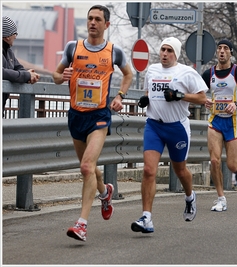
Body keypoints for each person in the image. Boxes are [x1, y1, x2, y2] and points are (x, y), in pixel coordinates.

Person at [52, 5, 133, 241]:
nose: (93, 23)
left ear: (106, 25)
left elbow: (127, 75)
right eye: (90, 18)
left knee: (86, 167)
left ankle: (82, 224)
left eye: (98, 19)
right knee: (89, 167)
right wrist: (62, 76)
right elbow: (56, 76)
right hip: (76, 115)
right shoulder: (72, 48)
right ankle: (105, 192)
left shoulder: (113, 52)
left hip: (99, 116)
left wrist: (120, 96)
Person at [130, 36, 208, 233]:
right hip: (154, 126)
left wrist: (179, 96)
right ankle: (146, 217)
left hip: (177, 128)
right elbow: (149, 92)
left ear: (176, 54)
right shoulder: (152, 70)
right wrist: (145, 100)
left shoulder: (186, 73)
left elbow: (202, 98)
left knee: (180, 170)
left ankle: (190, 197)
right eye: (163, 50)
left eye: (169, 50)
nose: (164, 54)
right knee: (148, 170)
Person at [202, 39, 237, 211]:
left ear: (231, 53)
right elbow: (196, 93)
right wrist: (204, 100)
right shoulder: (208, 74)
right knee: (214, 160)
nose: (222, 51)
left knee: (233, 166)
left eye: (226, 49)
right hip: (215, 121)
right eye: (219, 49)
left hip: (233, 122)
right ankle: (221, 199)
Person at [2, 16, 40, 117]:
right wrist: (27, 76)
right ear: (7, 37)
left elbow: (19, 67)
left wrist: (29, 75)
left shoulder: (9, 52)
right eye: (15, 33)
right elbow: (3, 72)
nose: (16, 36)